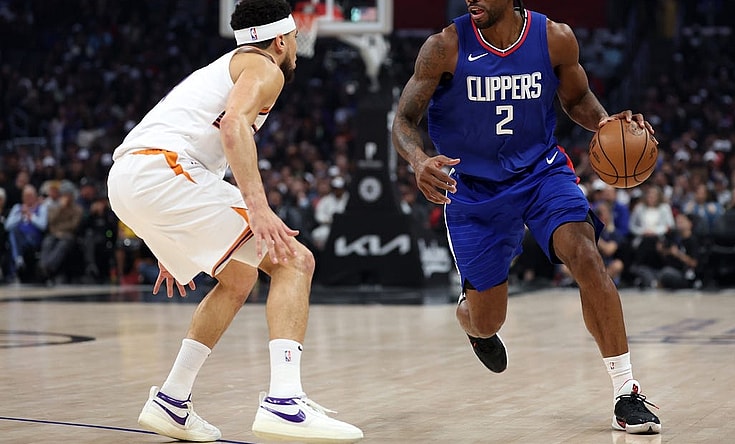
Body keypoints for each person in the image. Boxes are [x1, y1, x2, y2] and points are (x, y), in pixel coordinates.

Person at [391, 0, 661, 435]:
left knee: (586, 257)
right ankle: (471, 322)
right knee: (488, 319)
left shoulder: (555, 38)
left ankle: (625, 392)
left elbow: (576, 98)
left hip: (541, 173)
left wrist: (608, 123)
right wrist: (418, 159)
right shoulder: (444, 46)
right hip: (472, 188)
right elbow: (403, 120)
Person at [106, 0, 363, 442]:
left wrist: (169, 235)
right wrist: (258, 208)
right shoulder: (266, 68)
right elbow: (232, 129)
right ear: (281, 39)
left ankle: (172, 400)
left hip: (134, 180)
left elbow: (210, 146)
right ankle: (284, 402)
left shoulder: (228, 65)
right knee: (294, 261)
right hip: (164, 171)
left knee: (239, 278)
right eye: (296, 39)